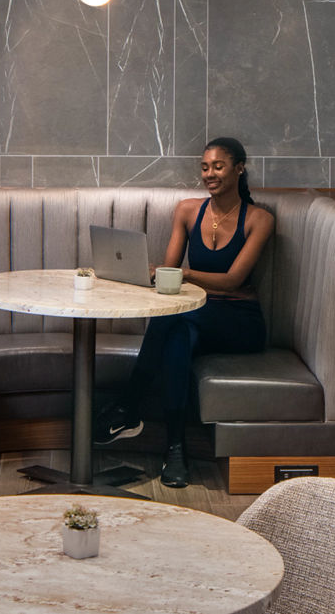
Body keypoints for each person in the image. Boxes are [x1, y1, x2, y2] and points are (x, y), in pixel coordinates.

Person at [94, 136, 274, 488]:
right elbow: (168, 272)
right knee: (175, 332)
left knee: (176, 320)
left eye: (218, 166)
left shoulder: (259, 219)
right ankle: (175, 450)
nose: (210, 174)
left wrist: (183, 274)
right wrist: (145, 273)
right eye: (205, 167)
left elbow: (232, 279)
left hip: (240, 322)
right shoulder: (188, 210)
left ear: (239, 169)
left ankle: (128, 407)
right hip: (195, 315)